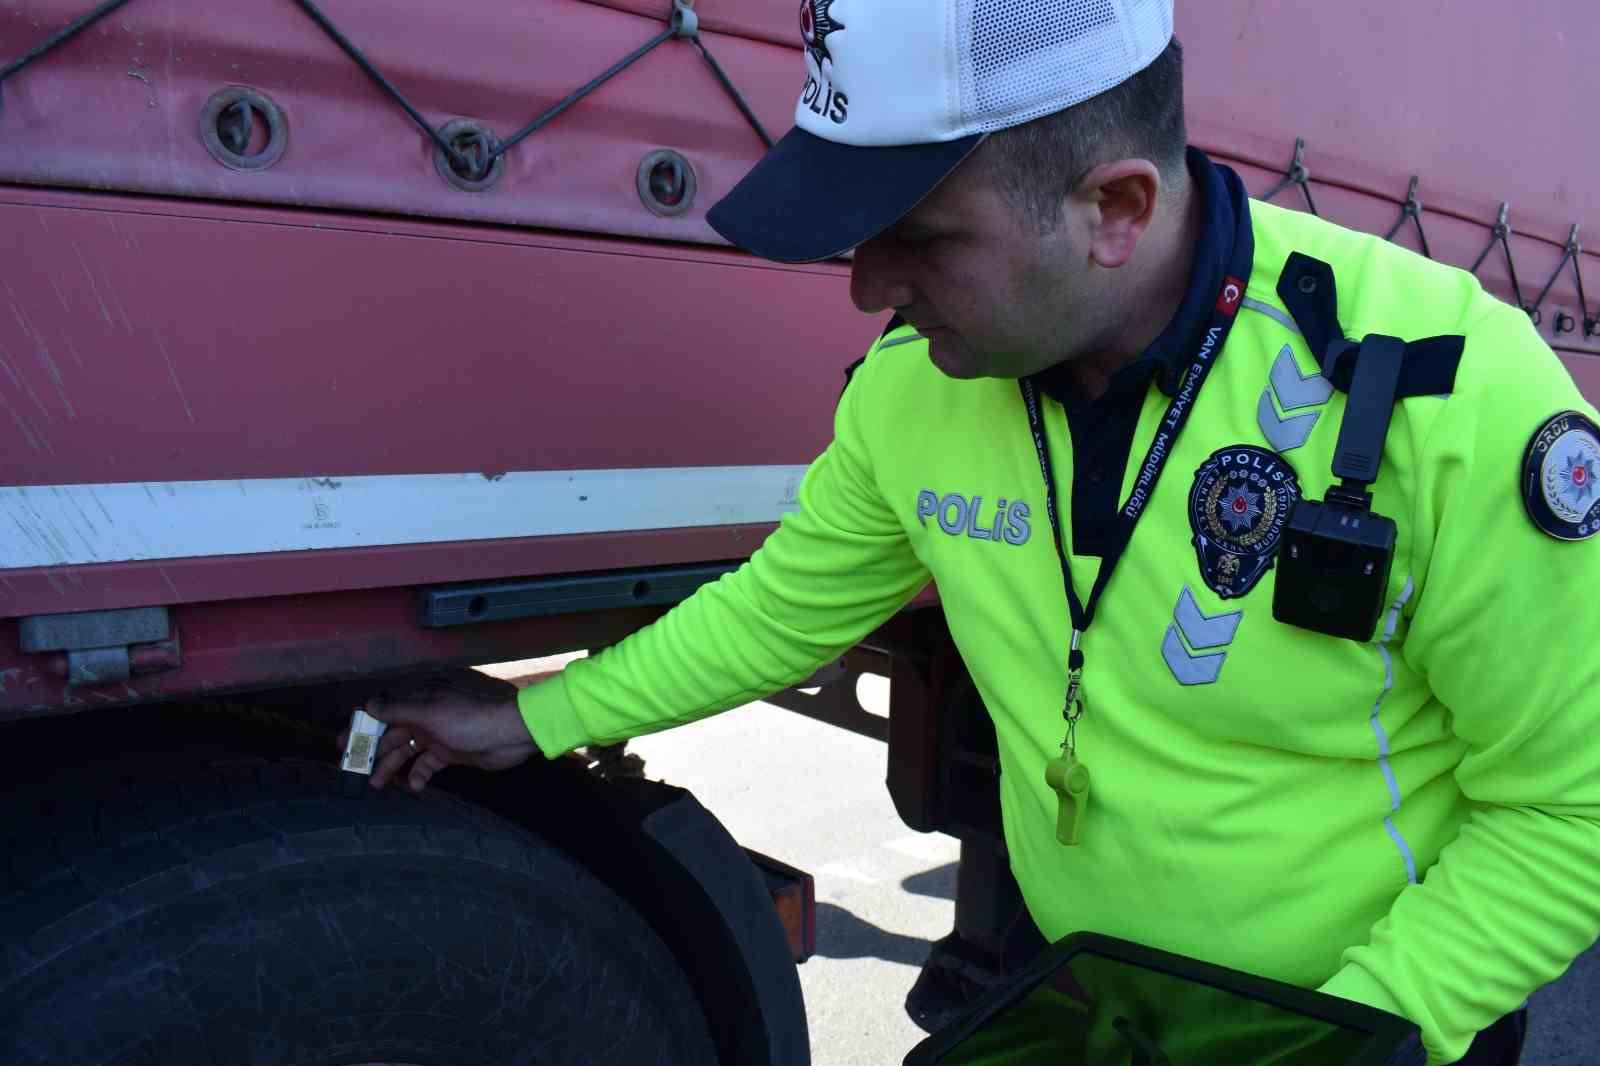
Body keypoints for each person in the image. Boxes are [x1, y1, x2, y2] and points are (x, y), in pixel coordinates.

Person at [349, 2, 1600, 1062]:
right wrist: (534, 717)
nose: (866, 287)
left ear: (1113, 206)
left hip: (1362, 1021)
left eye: (922, 239)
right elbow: (779, 608)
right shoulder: (913, 387)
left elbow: (1567, 811)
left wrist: (1353, 1034)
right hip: (1082, 991)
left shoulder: (1448, 388)